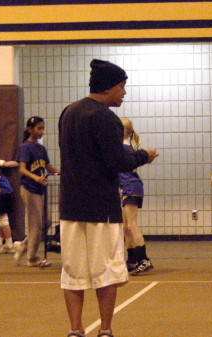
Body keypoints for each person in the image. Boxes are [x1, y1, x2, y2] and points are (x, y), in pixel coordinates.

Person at [58, 59, 159, 337]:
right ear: (108, 87)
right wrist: (143, 156)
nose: (124, 92)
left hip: (70, 207)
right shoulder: (105, 117)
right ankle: (105, 329)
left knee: (73, 273)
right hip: (101, 207)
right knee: (107, 271)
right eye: (122, 86)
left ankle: (75, 329)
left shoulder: (68, 112)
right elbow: (117, 161)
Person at [14, 116, 60, 267]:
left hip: (40, 189)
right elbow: (22, 169)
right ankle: (31, 258)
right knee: (36, 225)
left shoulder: (41, 148)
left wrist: (63, 172)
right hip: (29, 188)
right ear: (29, 130)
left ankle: (23, 245)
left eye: (43, 128)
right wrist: (35, 178)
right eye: (39, 128)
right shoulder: (25, 147)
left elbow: (50, 168)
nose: (42, 131)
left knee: (45, 222)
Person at [119, 117, 154, 275]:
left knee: (131, 226)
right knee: (126, 227)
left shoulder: (123, 147)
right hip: (126, 187)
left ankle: (144, 259)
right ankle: (132, 260)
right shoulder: (125, 147)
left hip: (131, 186)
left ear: (125, 132)